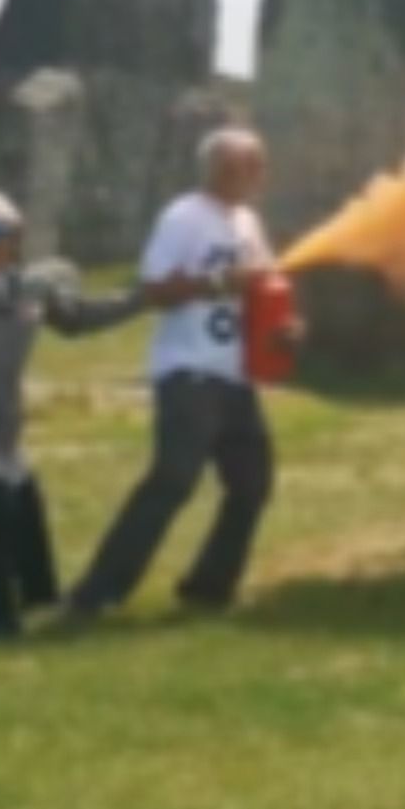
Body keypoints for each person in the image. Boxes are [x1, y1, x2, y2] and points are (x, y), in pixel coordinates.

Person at [62, 129, 300, 621]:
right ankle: (96, 594)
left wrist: (285, 326)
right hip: (189, 372)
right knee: (173, 480)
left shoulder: (249, 222)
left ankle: (209, 588)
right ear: (213, 167)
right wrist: (217, 282)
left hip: (235, 376)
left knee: (252, 483)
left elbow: (265, 288)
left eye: (258, 166)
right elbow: (153, 288)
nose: (253, 175)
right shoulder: (183, 217)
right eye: (241, 165)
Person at [0, 193, 149, 639]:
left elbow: (77, 318)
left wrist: (144, 298)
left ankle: (41, 600)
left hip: (0, 432)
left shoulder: (29, 289)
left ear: (15, 239)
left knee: (25, 506)